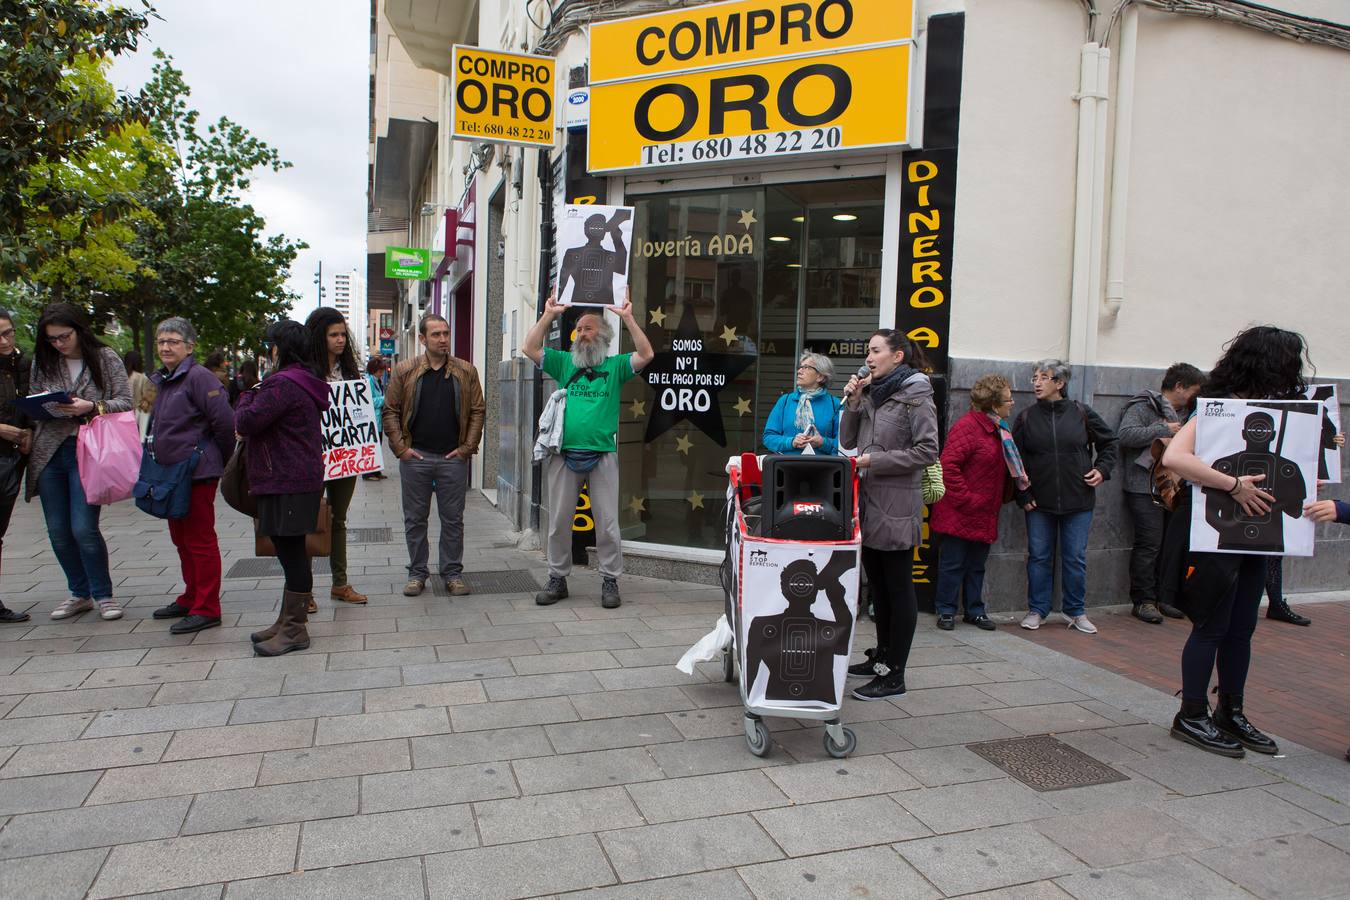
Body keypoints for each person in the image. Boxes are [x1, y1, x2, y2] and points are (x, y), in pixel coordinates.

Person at [1160, 325, 1313, 757]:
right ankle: (1191, 713)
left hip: (1256, 538)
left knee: (1242, 628)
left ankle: (1231, 710)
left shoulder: (1276, 410)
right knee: (1213, 625)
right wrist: (1233, 485)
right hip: (1217, 535)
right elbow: (1175, 456)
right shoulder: (1217, 407)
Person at [524, 291, 654, 609]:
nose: (582, 333)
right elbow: (529, 348)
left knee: (607, 523)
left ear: (603, 335)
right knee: (558, 521)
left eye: (589, 328)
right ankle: (557, 578)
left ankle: (610, 580)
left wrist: (627, 318)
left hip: (603, 455)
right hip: (564, 454)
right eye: (579, 329)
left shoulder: (617, 366)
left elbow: (647, 354)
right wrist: (548, 315)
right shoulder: (565, 363)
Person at [840, 329, 939, 700]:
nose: (869, 357)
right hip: (868, 502)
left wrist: (875, 461)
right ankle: (880, 658)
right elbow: (848, 441)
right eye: (868, 350)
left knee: (898, 589)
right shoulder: (872, 392)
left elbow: (927, 451)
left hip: (897, 504)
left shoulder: (916, 395)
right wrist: (852, 400)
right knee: (878, 587)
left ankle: (895, 673)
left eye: (876, 350)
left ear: (897, 356)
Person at [26, 303, 132, 621]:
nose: (59, 344)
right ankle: (79, 592)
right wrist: (44, 406)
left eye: (64, 337)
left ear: (79, 329)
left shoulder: (104, 357)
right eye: (52, 339)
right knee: (58, 530)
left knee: (84, 527)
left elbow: (124, 401)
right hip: (49, 451)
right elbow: (33, 397)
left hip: (89, 450)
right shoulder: (44, 361)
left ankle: (104, 595)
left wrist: (92, 406)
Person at [238, 320, 330, 657]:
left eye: (269, 345)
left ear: (278, 348)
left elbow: (246, 421)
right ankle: (286, 622)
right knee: (289, 551)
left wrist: (248, 393)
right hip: (293, 477)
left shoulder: (281, 385)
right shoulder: (300, 381)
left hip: (287, 479)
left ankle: (295, 630)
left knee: (291, 552)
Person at [382, 314, 485, 598]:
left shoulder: (466, 370)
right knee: (415, 519)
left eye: (446, 333)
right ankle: (417, 573)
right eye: (437, 334)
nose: (443, 339)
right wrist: (401, 449)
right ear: (423, 339)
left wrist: (466, 449)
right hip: (417, 459)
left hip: (453, 459)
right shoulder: (405, 370)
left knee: (453, 519)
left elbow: (478, 410)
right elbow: (390, 411)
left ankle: (452, 573)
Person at [1013, 360, 1119, 634]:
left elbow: (1110, 443)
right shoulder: (1026, 418)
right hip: (1039, 502)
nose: (1036, 383)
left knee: (1074, 557)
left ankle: (1076, 611)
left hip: (1078, 500)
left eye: (1044, 377)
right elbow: (1014, 460)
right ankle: (1037, 610)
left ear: (1060, 383)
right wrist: (1023, 493)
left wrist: (1102, 470)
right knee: (1039, 557)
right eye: (1035, 377)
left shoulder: (1081, 413)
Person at [145, 318, 236, 634]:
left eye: (172, 341)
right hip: (170, 473)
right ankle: (191, 595)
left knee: (199, 539)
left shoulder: (200, 378)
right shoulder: (163, 379)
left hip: (196, 472)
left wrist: (217, 461)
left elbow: (225, 424)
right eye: (161, 341)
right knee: (180, 538)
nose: (165, 347)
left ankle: (207, 606)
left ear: (189, 346)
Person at [930, 374, 1026, 632]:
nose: (1012, 403)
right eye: (1008, 399)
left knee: (977, 566)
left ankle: (975, 610)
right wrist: (968, 499)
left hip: (985, 511)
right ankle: (946, 610)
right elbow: (948, 466)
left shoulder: (999, 428)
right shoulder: (968, 427)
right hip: (960, 510)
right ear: (994, 405)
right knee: (953, 563)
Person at [1116, 363, 1204, 623]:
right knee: (1149, 544)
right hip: (1143, 487)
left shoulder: (1187, 413)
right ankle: (1144, 600)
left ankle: (1164, 596)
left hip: (1174, 487)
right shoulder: (1144, 405)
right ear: (1179, 386)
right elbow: (1126, 435)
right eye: (1193, 391)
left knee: (1168, 545)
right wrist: (1165, 430)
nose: (1194, 398)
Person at [305, 307, 371, 607]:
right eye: (334, 335)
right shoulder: (305, 374)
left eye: (343, 334)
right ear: (320, 337)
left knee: (338, 519)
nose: (341, 340)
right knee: (309, 520)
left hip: (345, 457)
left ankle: (340, 584)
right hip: (311, 458)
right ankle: (302, 590)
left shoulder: (351, 374)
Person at [0, 309, 32, 623]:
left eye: (8, 332)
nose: (5, 341)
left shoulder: (23, 364)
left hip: (12, 459)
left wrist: (30, 431)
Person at [762, 352, 841, 455]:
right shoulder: (785, 401)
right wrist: (791, 442)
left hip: (823, 468)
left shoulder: (834, 404)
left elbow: (845, 446)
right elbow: (768, 438)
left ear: (820, 377)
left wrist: (822, 442)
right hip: (787, 466)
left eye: (806, 367)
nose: (799, 371)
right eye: (800, 367)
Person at [362, 356, 387, 481]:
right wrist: (384, 399)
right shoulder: (368, 381)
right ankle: (368, 473)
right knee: (371, 447)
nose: (382, 373)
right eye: (380, 371)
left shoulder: (378, 381)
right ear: (373, 370)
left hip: (378, 419)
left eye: (382, 370)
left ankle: (376, 471)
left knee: (378, 446)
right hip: (371, 419)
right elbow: (368, 401)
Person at [124, 350, 154, 439]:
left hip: (121, 414)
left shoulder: (121, 377)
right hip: (137, 415)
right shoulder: (142, 378)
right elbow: (147, 400)